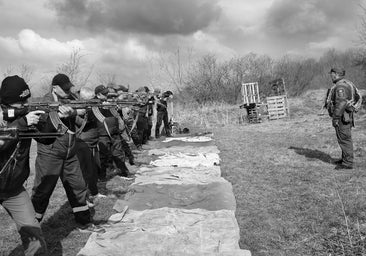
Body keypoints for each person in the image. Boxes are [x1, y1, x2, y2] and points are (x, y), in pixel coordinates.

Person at [31, 73, 91, 226]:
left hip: (70, 152)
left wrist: (75, 113)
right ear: (55, 88)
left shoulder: (71, 100)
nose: (67, 91)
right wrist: (58, 116)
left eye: (68, 88)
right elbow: (41, 129)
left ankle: (84, 222)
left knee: (78, 186)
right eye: (64, 89)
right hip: (50, 152)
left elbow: (81, 119)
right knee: (43, 190)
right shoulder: (45, 102)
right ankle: (32, 228)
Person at [0, 75, 49, 255]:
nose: (25, 104)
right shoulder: (13, 118)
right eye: (21, 101)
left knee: (34, 235)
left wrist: (49, 121)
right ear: (8, 102)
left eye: (26, 100)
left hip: (13, 188)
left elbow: (48, 139)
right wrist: (22, 123)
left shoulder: (24, 115)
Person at [75, 87, 106, 206]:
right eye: (92, 99)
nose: (95, 100)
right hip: (83, 143)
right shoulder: (77, 108)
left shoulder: (90, 107)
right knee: (85, 173)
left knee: (93, 170)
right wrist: (87, 112)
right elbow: (79, 122)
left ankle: (94, 192)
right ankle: (85, 198)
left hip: (92, 142)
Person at [327, 68, 360, 170]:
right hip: (345, 116)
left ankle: (347, 163)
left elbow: (341, 103)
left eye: (332, 74)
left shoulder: (340, 86)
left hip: (342, 117)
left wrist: (335, 118)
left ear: (336, 74)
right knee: (343, 138)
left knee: (345, 139)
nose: (330, 76)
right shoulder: (346, 84)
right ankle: (344, 158)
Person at [94, 85, 131, 178]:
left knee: (118, 153)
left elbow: (116, 115)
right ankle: (101, 176)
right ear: (98, 94)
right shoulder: (93, 103)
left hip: (114, 132)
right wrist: (101, 107)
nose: (106, 95)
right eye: (104, 94)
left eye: (107, 93)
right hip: (102, 134)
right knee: (103, 156)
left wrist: (115, 107)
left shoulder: (109, 102)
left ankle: (124, 172)